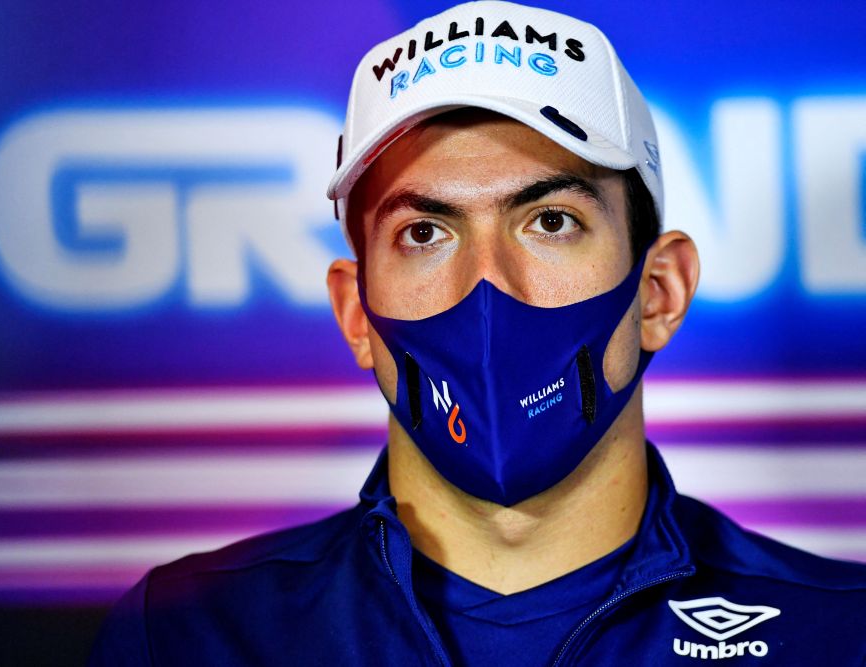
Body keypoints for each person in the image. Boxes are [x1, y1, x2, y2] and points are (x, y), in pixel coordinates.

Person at [89, 3, 866, 664]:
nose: (486, 287)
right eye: (425, 231)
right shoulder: (190, 634)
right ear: (356, 313)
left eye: (550, 221)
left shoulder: (839, 634)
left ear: (659, 292)